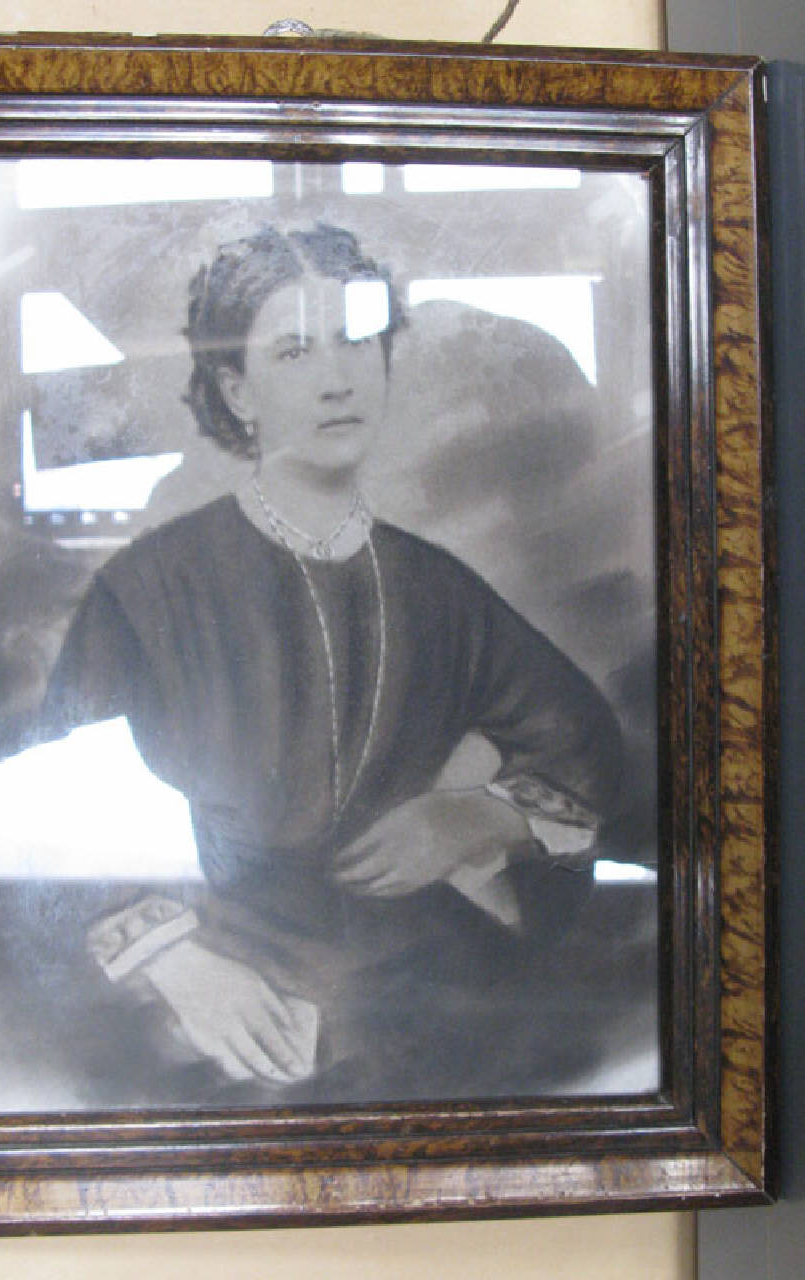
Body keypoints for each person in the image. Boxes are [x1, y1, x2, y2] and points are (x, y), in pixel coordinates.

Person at [35, 223, 623, 1104]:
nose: (337, 378)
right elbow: (51, 795)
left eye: (357, 343)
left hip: (433, 990)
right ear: (237, 391)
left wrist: (480, 817)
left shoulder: (433, 585)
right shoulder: (152, 583)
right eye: (294, 351)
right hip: (220, 986)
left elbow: (584, 743)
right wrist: (171, 958)